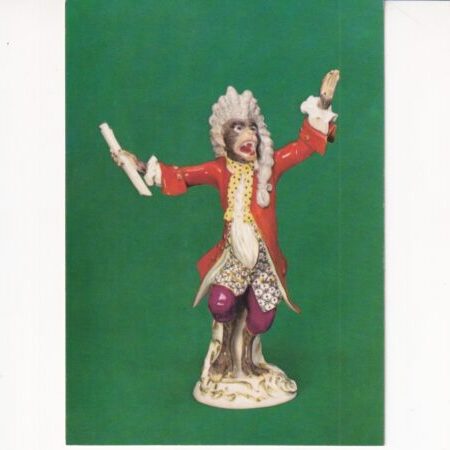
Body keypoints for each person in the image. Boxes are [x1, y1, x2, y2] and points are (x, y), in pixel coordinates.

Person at [113, 71, 339, 381]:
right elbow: (181, 175)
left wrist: (323, 103)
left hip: (264, 262)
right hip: (233, 258)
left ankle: (247, 353)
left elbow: (304, 146)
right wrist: (138, 164)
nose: (249, 135)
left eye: (252, 127)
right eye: (238, 127)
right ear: (223, 137)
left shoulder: (269, 167)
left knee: (263, 319)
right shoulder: (219, 170)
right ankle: (224, 349)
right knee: (220, 303)